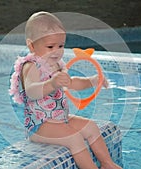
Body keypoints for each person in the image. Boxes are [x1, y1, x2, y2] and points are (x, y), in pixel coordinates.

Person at [9, 11, 122, 169]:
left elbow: (72, 83)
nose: (56, 51)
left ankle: (107, 163)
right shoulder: (31, 66)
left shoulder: (56, 64)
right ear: (31, 45)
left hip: (60, 118)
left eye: (60, 45)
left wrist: (93, 81)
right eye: (50, 46)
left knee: (90, 127)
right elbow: (31, 92)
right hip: (39, 126)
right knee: (74, 138)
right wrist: (52, 84)